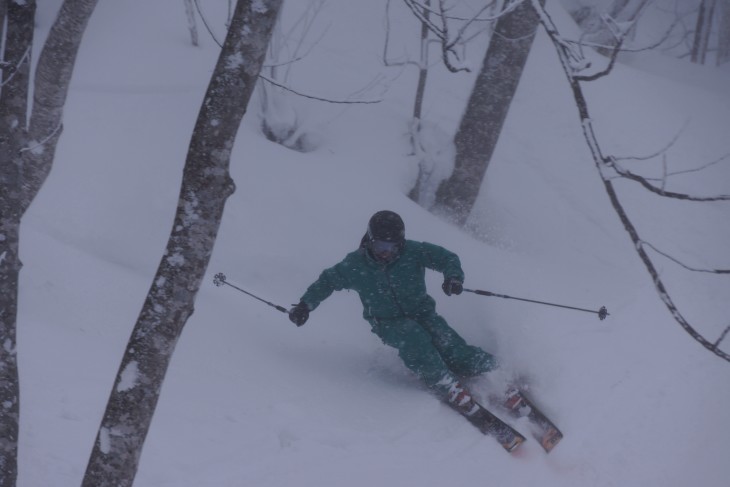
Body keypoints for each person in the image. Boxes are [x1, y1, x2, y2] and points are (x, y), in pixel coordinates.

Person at [288, 210, 499, 418]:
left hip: (423, 313)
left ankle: (494, 371)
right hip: (387, 322)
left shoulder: (413, 252)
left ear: (401, 243)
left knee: (449, 344)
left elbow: (446, 258)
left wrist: (453, 278)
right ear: (370, 241)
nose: (386, 252)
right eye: (380, 246)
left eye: (392, 247)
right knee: (415, 341)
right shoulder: (355, 264)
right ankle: (445, 383)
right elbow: (328, 281)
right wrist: (305, 305)